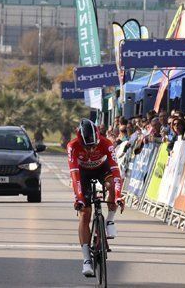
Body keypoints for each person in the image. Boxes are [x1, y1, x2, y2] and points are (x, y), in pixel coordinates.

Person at [67, 119, 123, 277]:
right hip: (82, 174)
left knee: (111, 184)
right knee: (85, 213)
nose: (91, 150)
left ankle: (110, 220)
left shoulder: (106, 143)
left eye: (94, 145)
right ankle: (86, 260)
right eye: (87, 146)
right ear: (80, 141)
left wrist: (117, 196)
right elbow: (75, 176)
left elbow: (116, 171)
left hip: (101, 169)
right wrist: (78, 198)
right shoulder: (72, 146)